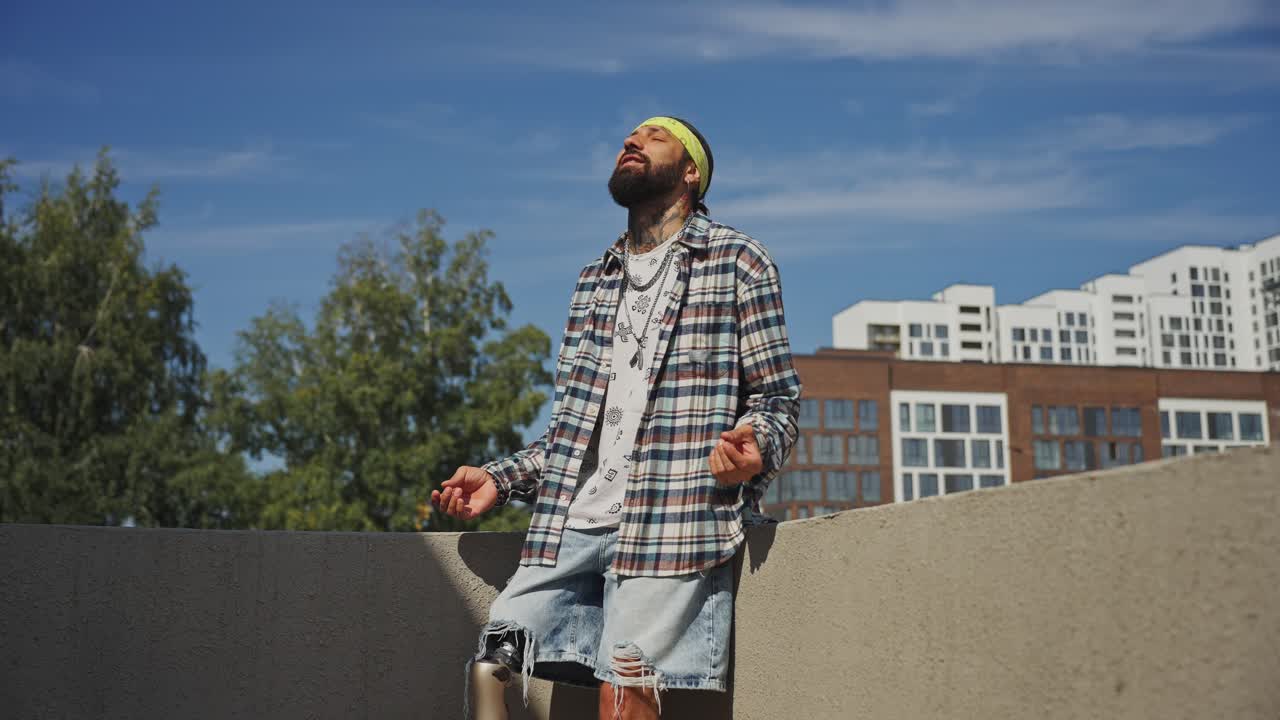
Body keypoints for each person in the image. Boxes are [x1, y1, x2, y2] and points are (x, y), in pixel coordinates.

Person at [433, 116, 801, 720]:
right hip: (572, 525)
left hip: (672, 520)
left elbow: (779, 400)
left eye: (654, 137)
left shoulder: (739, 261)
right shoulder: (593, 282)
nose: (632, 141)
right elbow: (574, 435)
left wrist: (755, 446)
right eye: (629, 136)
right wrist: (499, 480)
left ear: (690, 173)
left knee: (625, 697)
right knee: (491, 665)